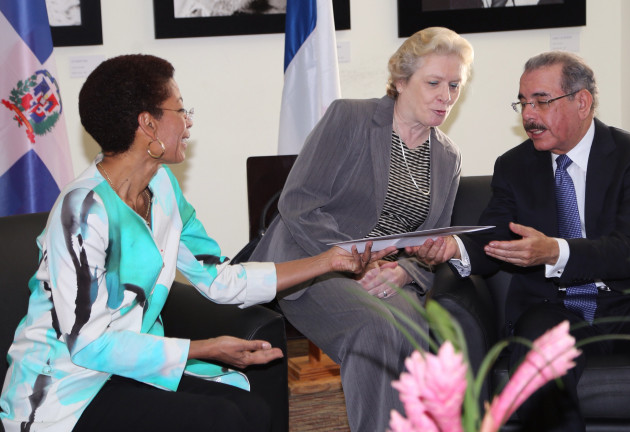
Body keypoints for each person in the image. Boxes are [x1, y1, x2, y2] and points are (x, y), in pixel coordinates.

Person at [0, 54, 389, 432]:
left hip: (129, 369)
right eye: (181, 109)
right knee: (223, 419)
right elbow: (88, 345)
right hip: (62, 389)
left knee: (252, 409)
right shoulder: (83, 211)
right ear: (148, 124)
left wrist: (327, 261)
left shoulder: (162, 188)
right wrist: (203, 348)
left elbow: (219, 278)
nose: (188, 122)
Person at [411, 51, 630, 431]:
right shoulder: (514, 166)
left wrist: (554, 251)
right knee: (536, 349)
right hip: (552, 304)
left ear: (582, 102)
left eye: (541, 101)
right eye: (523, 102)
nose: (528, 115)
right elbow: (496, 235)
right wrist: (454, 249)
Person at [247, 27, 474, 432]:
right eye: (434, 83)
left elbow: (430, 240)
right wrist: (356, 261)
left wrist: (404, 271)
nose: (446, 96)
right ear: (401, 81)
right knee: (373, 330)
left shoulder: (447, 156)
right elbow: (299, 202)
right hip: (312, 261)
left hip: (385, 273)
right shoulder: (350, 118)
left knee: (417, 334)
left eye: (455, 85)